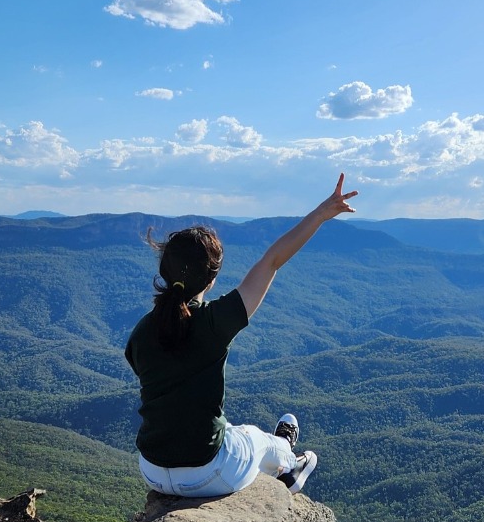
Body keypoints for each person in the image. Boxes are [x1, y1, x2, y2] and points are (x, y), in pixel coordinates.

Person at [125, 174, 359, 498]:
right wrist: (321, 213)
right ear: (211, 279)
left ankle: (279, 452)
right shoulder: (214, 323)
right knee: (253, 437)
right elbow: (272, 260)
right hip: (207, 472)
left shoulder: (141, 333)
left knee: (230, 430)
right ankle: (290, 463)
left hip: (152, 470)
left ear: (165, 273)